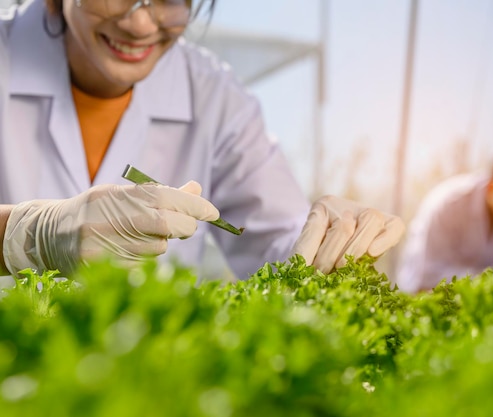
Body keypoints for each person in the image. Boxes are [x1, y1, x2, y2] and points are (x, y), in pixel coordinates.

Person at [0, 0, 405, 278]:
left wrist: (332, 238)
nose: (140, 24)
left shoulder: (215, 95)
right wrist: (25, 234)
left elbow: (277, 246)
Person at [396, 150, 493, 293]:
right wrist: (490, 281)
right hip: (430, 296)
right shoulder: (448, 204)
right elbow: (429, 273)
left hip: (490, 300)